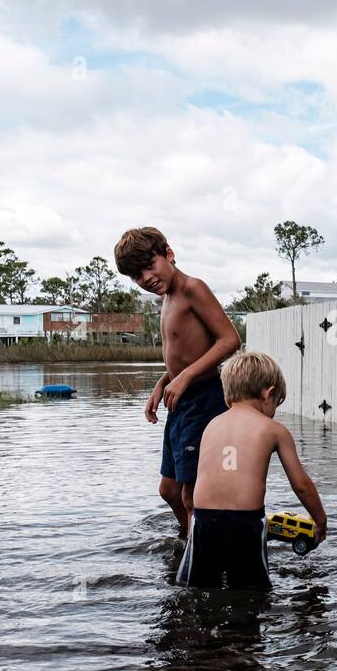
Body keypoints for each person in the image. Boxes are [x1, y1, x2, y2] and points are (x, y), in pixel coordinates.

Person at [113, 227, 241, 539]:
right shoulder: (167, 299)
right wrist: (163, 383)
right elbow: (181, 356)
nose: (146, 278)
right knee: (169, 490)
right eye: (136, 276)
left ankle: (203, 555)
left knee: (191, 494)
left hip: (204, 399)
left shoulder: (192, 289)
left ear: (168, 254)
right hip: (180, 400)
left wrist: (183, 377)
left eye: (149, 266)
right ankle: (190, 538)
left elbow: (230, 340)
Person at [180, 351, 328, 590]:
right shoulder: (274, 430)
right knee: (252, 592)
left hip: (203, 520)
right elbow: (301, 484)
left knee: (201, 588)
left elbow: (201, 478)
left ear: (228, 397)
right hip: (245, 523)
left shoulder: (211, 426)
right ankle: (243, 626)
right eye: (276, 403)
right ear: (268, 394)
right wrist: (320, 520)